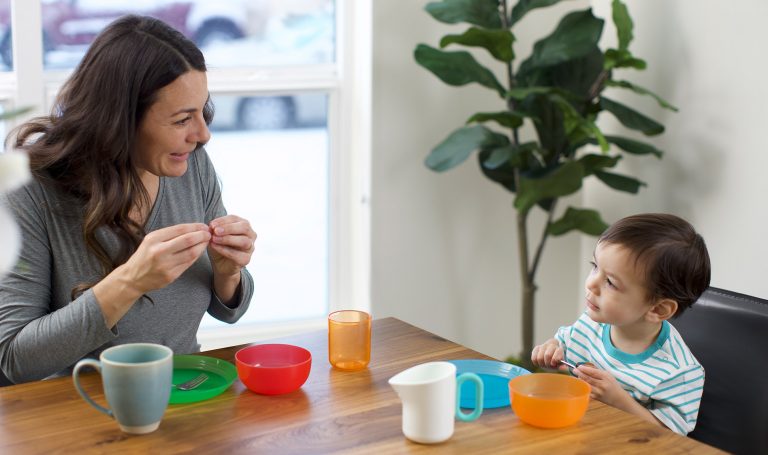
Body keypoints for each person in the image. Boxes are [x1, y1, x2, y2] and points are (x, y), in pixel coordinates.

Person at [0, 15, 256, 384]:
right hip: (71, 419)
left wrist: (228, 270)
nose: (203, 134)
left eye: (203, 111)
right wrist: (131, 281)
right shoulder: (30, 190)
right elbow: (13, 358)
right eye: (183, 119)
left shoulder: (190, 165)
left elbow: (229, 309)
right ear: (119, 119)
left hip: (181, 398)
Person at [531, 213, 711, 435]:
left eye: (610, 283)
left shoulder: (679, 373)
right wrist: (551, 350)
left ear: (657, 309)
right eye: (595, 266)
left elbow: (668, 437)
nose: (591, 283)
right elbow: (563, 346)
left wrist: (617, 400)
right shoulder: (591, 324)